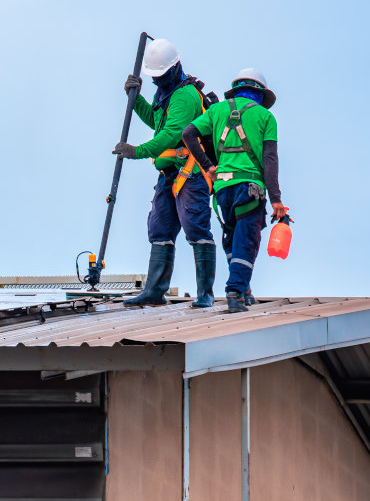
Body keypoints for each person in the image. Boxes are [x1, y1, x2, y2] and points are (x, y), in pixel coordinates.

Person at [112, 39, 216, 308]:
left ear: (173, 68)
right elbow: (157, 122)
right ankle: (155, 291)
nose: (157, 81)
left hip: (190, 174)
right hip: (169, 175)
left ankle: (205, 294)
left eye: (159, 76)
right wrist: (135, 99)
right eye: (153, 77)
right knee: (160, 229)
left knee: (196, 228)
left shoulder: (184, 95)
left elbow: (171, 135)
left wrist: (137, 151)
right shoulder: (167, 93)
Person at [181, 69, 288, 312]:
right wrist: (276, 199)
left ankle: (243, 289)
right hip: (250, 189)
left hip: (222, 192)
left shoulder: (217, 111)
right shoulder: (265, 117)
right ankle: (235, 291)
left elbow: (188, 134)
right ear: (260, 93)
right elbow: (270, 160)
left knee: (232, 239)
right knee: (246, 241)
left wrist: (208, 166)